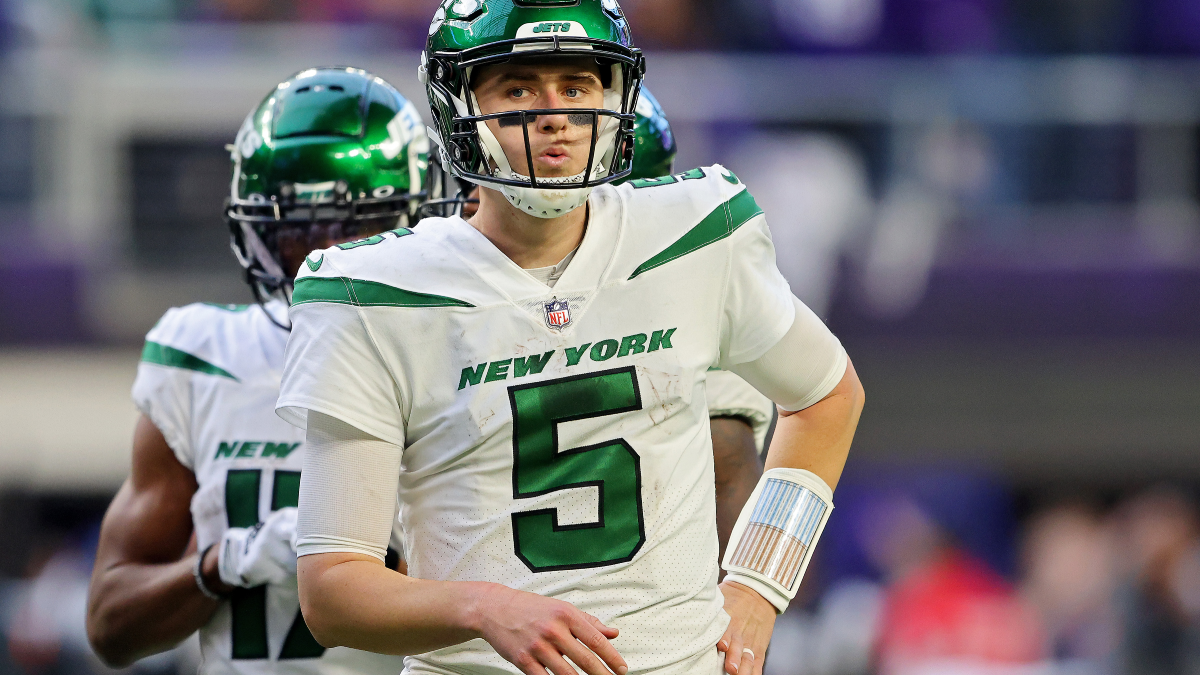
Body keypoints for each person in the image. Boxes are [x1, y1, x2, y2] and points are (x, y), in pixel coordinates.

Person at [278, 3, 865, 675]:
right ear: (457, 104)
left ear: (615, 98)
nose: (555, 112)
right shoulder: (371, 291)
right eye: (520, 86)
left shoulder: (693, 234)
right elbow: (331, 589)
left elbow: (828, 397)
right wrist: (482, 607)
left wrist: (759, 584)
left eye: (577, 85)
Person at [85, 67, 428, 673]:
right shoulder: (202, 357)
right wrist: (230, 561)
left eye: (358, 229)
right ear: (259, 233)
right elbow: (111, 625)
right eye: (300, 231)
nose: (327, 258)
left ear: (419, 219)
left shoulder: (461, 349)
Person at [421, 83, 775, 563]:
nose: (476, 205)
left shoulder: (685, 291)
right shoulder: (452, 300)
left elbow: (732, 469)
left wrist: (753, 600)